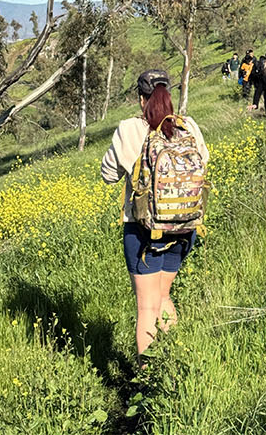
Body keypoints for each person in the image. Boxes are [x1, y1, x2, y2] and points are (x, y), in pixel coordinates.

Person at [99, 70, 208, 356]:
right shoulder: (188, 125)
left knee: (147, 307)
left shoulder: (129, 128)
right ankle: (171, 363)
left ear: (141, 98)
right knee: (163, 297)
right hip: (184, 225)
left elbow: (108, 174)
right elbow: (203, 162)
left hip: (143, 229)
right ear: (169, 94)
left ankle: (148, 375)